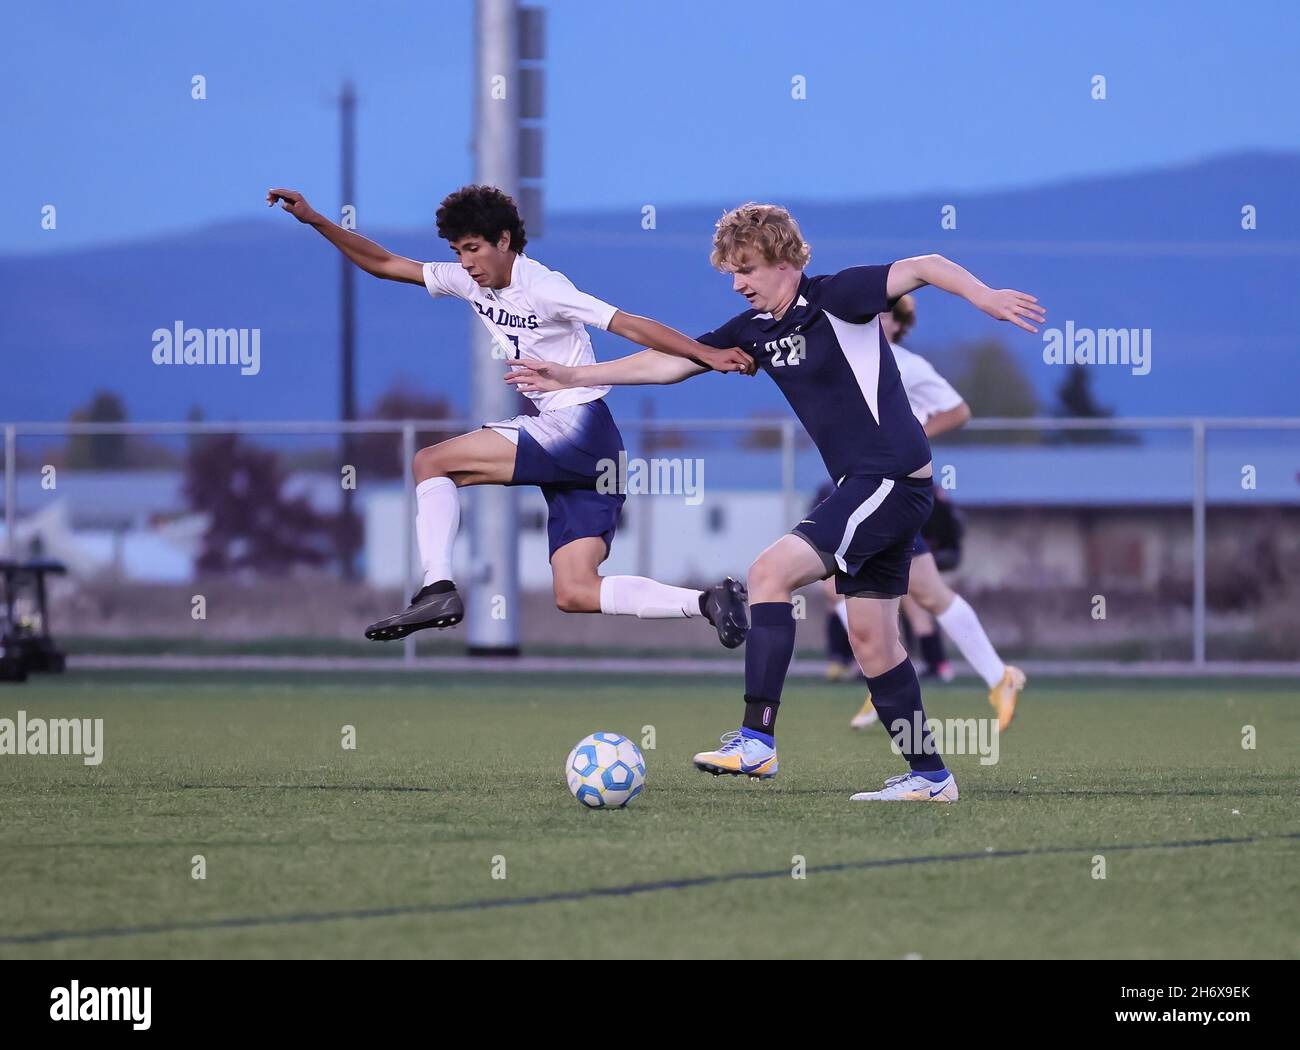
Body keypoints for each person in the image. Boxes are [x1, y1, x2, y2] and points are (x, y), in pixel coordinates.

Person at [508, 203, 1044, 802]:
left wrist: (985, 296)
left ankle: (757, 741)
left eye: (747, 269)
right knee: (873, 641)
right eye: (731, 273)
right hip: (869, 491)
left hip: (890, 480)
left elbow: (926, 264)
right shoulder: (752, 331)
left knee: (768, 573)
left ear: (785, 260)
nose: (737, 283)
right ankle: (931, 777)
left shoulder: (838, 297)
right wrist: (574, 377)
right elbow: (667, 363)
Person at [267, 184, 753, 646]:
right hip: (598, 448)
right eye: (458, 250)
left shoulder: (542, 285)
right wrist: (314, 220)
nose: (466, 262)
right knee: (575, 592)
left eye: (474, 248)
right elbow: (385, 263)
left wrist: (704, 355)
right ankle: (708, 601)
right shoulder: (466, 281)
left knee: (430, 463)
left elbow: (627, 323)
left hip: (576, 427)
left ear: (505, 241)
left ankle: (436, 589)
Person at [845, 295, 1027, 732]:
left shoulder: (907, 365)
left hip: (891, 492)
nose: (875, 321)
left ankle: (894, 678)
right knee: (916, 593)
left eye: (884, 315)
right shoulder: (852, 360)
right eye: (870, 313)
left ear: (899, 324)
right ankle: (990, 676)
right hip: (864, 489)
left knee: (844, 581)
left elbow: (959, 409)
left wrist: (913, 435)